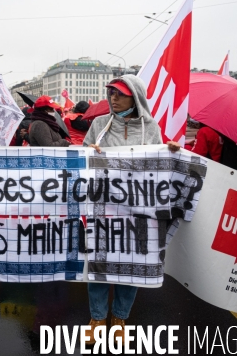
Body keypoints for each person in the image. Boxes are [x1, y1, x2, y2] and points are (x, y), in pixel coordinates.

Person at [82, 75, 180, 345]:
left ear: (134, 97)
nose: (113, 98)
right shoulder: (99, 124)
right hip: (104, 207)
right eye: (111, 92)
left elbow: (159, 161)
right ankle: (97, 318)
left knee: (133, 263)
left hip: (139, 210)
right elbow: (82, 156)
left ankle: (120, 317)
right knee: (100, 261)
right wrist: (87, 150)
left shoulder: (151, 128)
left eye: (119, 94)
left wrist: (170, 150)